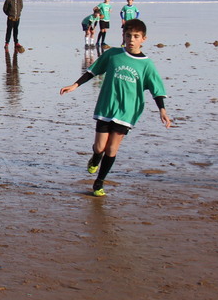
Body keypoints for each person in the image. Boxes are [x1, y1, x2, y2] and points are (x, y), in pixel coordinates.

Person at [59, 18, 172, 197]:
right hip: (107, 105)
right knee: (99, 147)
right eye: (128, 35)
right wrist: (75, 85)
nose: (131, 39)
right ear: (123, 36)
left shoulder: (147, 64)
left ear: (143, 38)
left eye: (136, 36)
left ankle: (99, 182)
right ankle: (96, 157)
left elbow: (156, 88)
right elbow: (93, 70)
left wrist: (162, 110)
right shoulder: (113, 54)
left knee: (111, 149)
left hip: (127, 111)